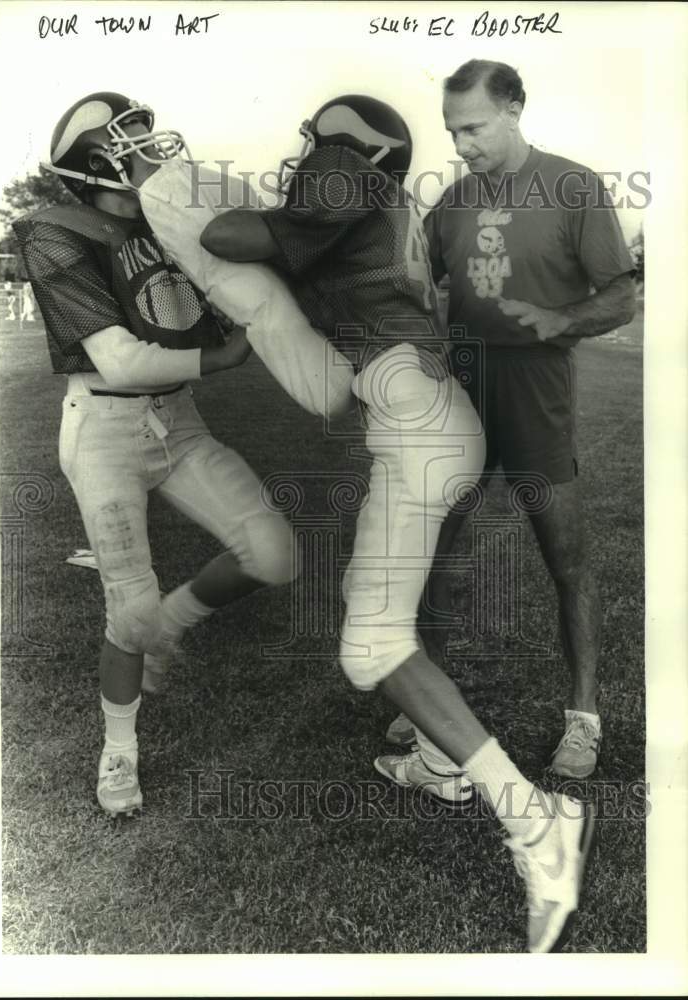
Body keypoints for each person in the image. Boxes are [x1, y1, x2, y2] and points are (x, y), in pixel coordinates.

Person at [199, 94, 596, 953]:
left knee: (371, 645)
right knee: (370, 605)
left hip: (417, 423)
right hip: (423, 415)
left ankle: (535, 823)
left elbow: (229, 237)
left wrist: (246, 208)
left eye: (320, 146)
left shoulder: (347, 183)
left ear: (353, 154)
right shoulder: (382, 203)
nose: (306, 156)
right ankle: (440, 761)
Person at [14, 92, 296, 818]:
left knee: (273, 553)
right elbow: (122, 361)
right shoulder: (54, 230)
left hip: (180, 421)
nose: (150, 146)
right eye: (131, 138)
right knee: (128, 611)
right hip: (105, 429)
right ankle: (119, 746)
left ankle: (173, 624)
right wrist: (227, 355)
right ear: (95, 160)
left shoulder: (167, 220)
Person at [385, 60, 636, 778]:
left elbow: (622, 296)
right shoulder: (454, 201)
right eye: (452, 131)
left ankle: (583, 718)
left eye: (475, 127)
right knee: (436, 545)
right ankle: (428, 701)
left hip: (536, 388)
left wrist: (560, 316)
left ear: (516, 108)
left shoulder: (573, 186)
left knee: (567, 556)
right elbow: (413, 280)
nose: (462, 144)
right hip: (461, 388)